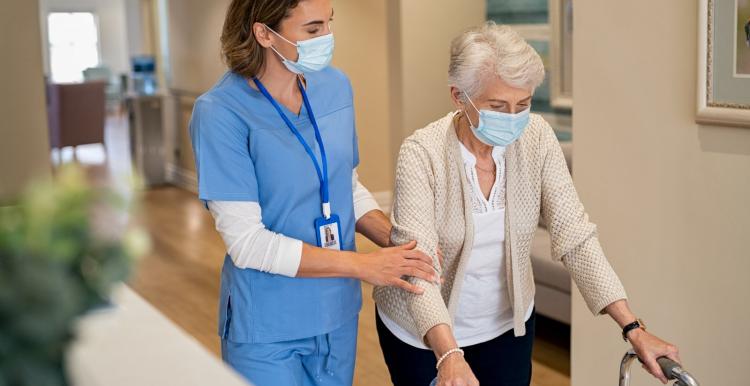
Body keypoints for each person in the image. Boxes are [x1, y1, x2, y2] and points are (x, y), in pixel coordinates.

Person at [373, 22, 681, 386]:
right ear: (459, 97)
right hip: (422, 333)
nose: (514, 118)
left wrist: (633, 327)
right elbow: (416, 268)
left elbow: (575, 235)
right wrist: (450, 355)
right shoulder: (421, 153)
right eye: (497, 106)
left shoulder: (536, 138)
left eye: (523, 104)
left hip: (506, 326)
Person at [188, 1, 437, 385]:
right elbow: (247, 244)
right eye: (313, 29)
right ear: (264, 33)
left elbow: (346, 186)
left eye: (329, 25)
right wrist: (365, 265)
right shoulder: (220, 113)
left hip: (336, 312)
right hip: (268, 323)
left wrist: (397, 243)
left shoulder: (335, 86)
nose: (327, 39)